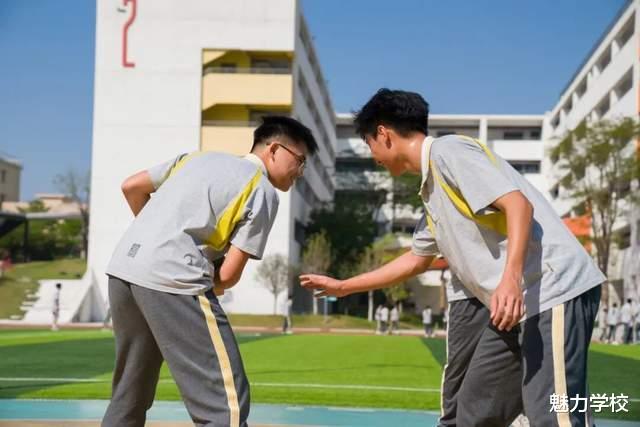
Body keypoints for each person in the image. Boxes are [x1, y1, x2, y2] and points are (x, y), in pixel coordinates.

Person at [300, 89, 605, 427]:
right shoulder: (432, 192)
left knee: (554, 416)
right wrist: (344, 286)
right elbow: (416, 260)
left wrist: (510, 279)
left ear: (384, 134)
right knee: (472, 411)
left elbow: (518, 205)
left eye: (369, 143)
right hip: (513, 307)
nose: (373, 156)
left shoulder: (449, 151)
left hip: (552, 289)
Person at [102, 116, 318, 427]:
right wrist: (196, 271)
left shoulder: (195, 158)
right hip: (173, 280)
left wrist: (157, 241)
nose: (300, 171)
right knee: (224, 407)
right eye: (299, 160)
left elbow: (131, 186)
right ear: (273, 150)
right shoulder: (261, 189)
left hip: (123, 270)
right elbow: (228, 276)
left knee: (129, 394)